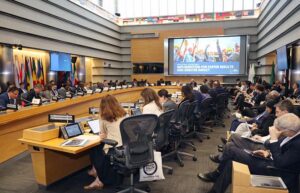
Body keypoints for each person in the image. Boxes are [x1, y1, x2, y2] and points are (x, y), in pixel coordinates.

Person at [199, 113, 300, 193]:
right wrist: (267, 153)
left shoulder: (297, 144)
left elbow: (280, 163)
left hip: (277, 171)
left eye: (280, 130)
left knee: (231, 149)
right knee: (231, 162)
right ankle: (216, 190)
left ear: (289, 130)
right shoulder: (292, 134)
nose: (278, 132)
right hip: (270, 161)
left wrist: (274, 139)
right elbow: (282, 152)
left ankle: (216, 172)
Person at [85, 95, 127, 190]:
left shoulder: (103, 117)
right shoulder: (124, 113)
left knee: (95, 149)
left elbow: (102, 135)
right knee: (97, 148)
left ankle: (98, 177)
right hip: (126, 145)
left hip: (115, 147)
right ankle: (96, 174)